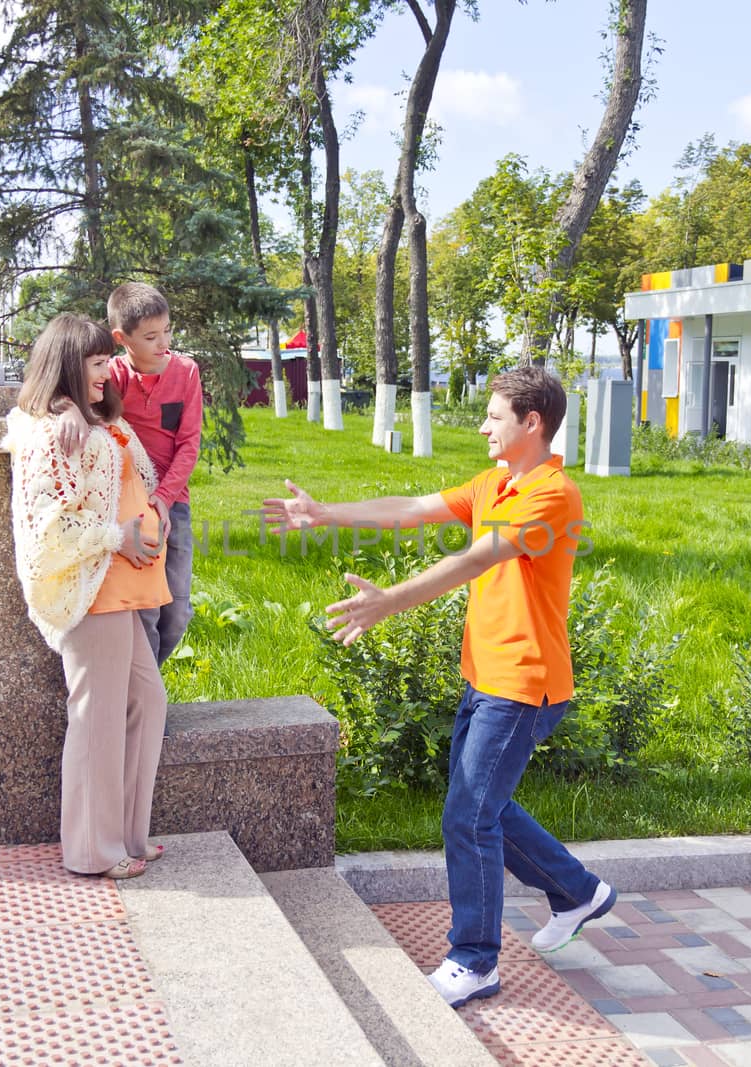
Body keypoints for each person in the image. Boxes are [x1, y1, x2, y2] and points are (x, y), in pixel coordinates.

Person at [262, 366, 616, 1008]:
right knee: (485, 807)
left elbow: (477, 558)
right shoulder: (496, 483)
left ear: (531, 424)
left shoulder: (553, 497)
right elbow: (413, 510)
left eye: (494, 414)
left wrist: (390, 601)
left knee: (469, 815)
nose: (483, 425)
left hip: (522, 683)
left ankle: (475, 959)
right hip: (485, 675)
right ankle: (577, 891)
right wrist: (324, 513)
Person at [2, 313, 171, 880]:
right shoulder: (49, 432)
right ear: (70, 365)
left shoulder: (90, 419)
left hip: (119, 584)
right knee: (96, 715)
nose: (108, 372)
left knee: (146, 702)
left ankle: (127, 834)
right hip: (88, 586)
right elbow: (49, 529)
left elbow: (138, 471)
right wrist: (116, 537)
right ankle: (91, 851)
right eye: (98, 364)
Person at [56, 282, 202, 667]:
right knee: (147, 611)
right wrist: (68, 408)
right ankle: (144, 700)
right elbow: (69, 391)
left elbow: (189, 444)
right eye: (151, 336)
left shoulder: (186, 372)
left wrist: (165, 499)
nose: (163, 343)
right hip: (129, 506)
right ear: (122, 338)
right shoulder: (113, 373)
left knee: (178, 610)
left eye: (167, 331)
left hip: (173, 502)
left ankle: (147, 686)